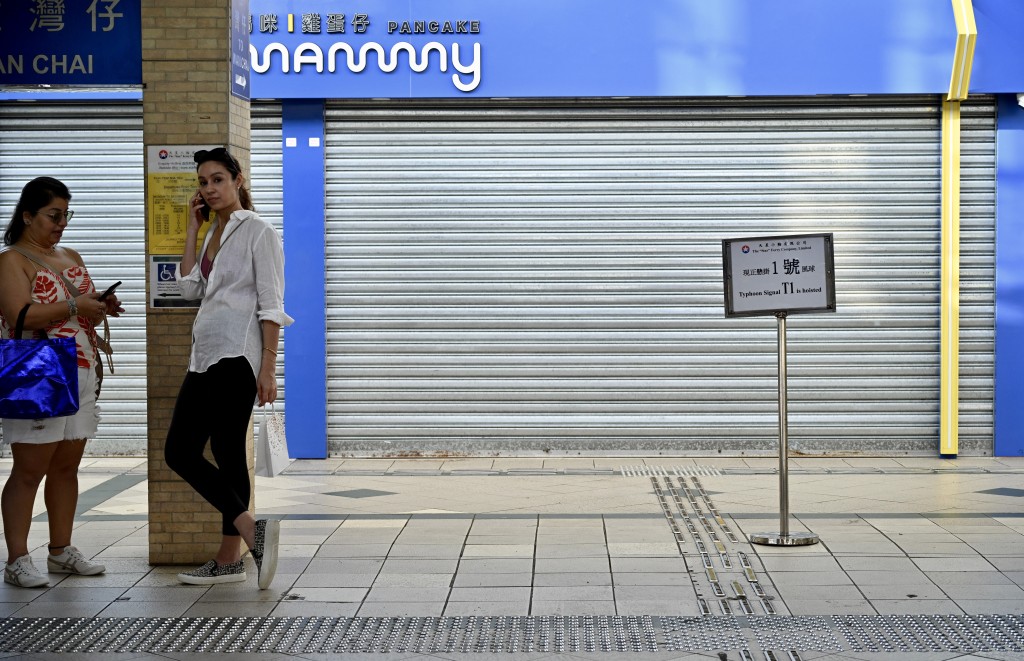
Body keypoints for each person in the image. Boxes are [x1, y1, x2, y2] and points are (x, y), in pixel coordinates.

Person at [164, 147, 292, 590]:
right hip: (205, 355)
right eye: (203, 182)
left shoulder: (259, 230)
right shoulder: (210, 233)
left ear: (238, 180)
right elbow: (187, 291)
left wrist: (269, 367)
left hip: (237, 356)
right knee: (207, 453)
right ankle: (235, 552)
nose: (209, 189)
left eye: (218, 179)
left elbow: (272, 304)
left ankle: (242, 543)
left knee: (194, 452)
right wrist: (191, 230)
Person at [0, 177, 124, 588]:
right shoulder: (12, 260)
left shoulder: (70, 255)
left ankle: (61, 549)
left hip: (81, 367)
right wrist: (74, 304)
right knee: (29, 468)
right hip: (37, 371)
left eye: (66, 215)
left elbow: (78, 311)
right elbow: (20, 316)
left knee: (67, 466)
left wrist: (100, 307)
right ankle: (17, 558)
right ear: (27, 215)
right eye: (54, 215)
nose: (61, 224)